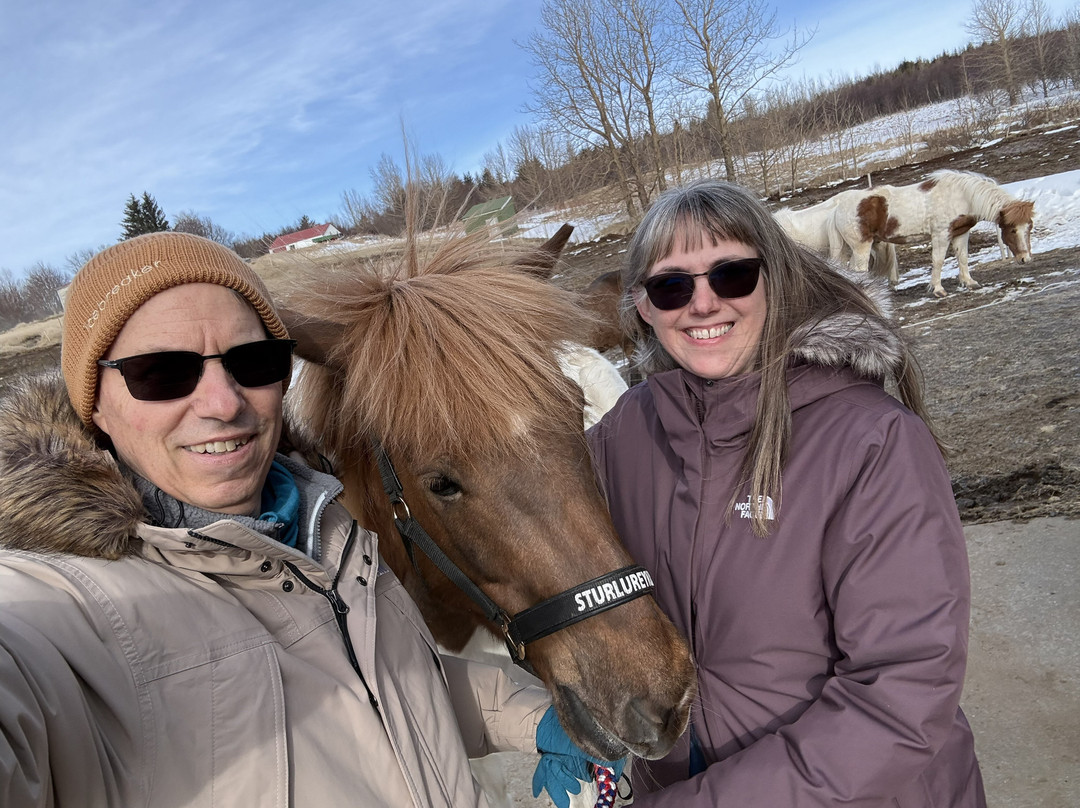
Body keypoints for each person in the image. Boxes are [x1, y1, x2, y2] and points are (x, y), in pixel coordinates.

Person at [0, 231, 603, 807]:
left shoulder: (333, 527)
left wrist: (529, 716)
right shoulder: (48, 614)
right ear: (94, 404)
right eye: (161, 373)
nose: (223, 403)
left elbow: (374, 682)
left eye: (253, 360)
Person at [587, 180, 986, 806]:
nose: (702, 304)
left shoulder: (871, 440)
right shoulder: (625, 433)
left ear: (775, 278)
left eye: (732, 275)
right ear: (643, 306)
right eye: (671, 286)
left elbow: (902, 693)